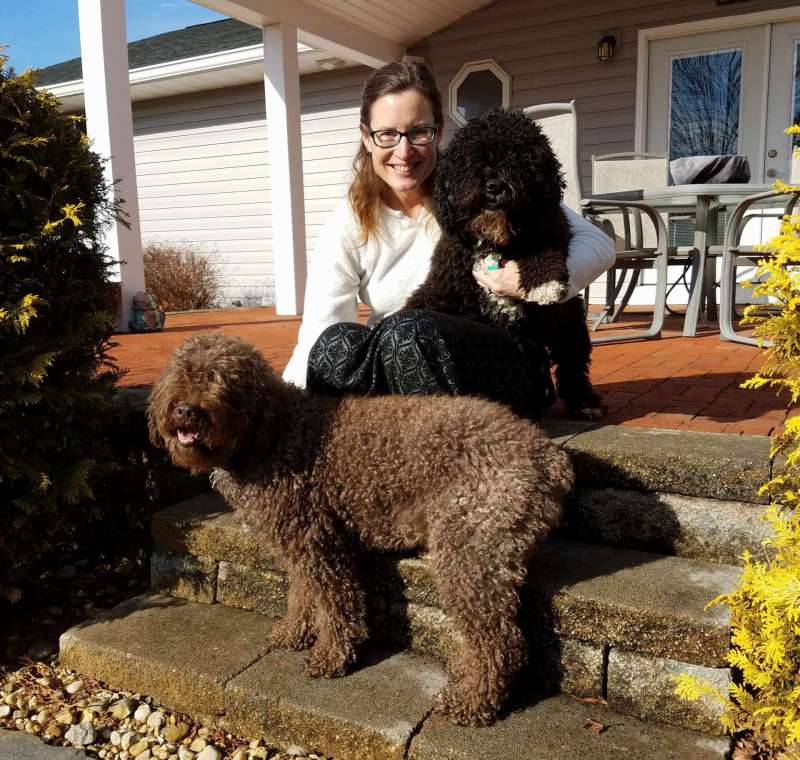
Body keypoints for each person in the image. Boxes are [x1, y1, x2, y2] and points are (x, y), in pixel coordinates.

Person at [282, 61, 614, 418]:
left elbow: (599, 244)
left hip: (498, 359)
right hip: (404, 354)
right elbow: (322, 327)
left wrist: (532, 281)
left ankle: (435, 443)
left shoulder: (479, 182)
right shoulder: (349, 221)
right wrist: (285, 413)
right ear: (367, 137)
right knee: (336, 345)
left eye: (418, 132)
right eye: (388, 134)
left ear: (438, 133)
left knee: (408, 332)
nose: (404, 151)